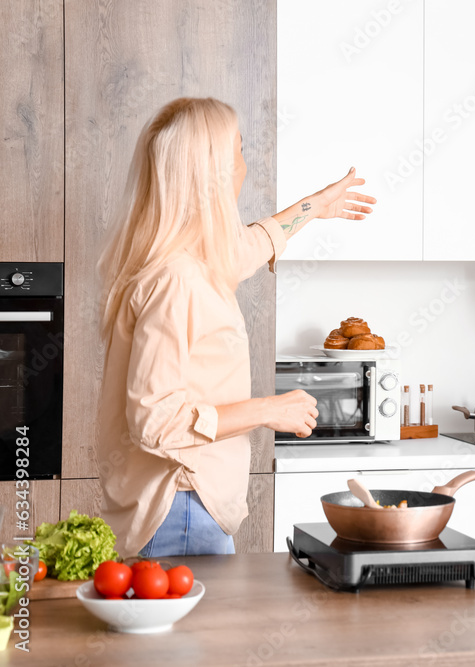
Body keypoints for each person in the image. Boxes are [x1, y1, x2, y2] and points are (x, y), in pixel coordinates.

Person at [97, 97, 376, 557]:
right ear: (216, 174)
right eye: (239, 151)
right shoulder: (178, 280)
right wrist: (268, 410)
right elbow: (155, 421)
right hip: (182, 510)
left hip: (183, 508)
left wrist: (316, 205)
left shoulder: (187, 263)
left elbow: (246, 246)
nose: (244, 166)